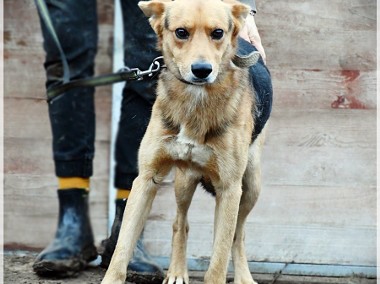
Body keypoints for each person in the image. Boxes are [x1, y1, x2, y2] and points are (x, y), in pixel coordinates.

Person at [32, 0, 269, 280]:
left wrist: (245, 8)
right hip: (172, 104)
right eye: (183, 34)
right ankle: (72, 220)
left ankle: (128, 230)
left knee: (141, 63)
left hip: (225, 109)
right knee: (66, 64)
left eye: (215, 34)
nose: (200, 56)